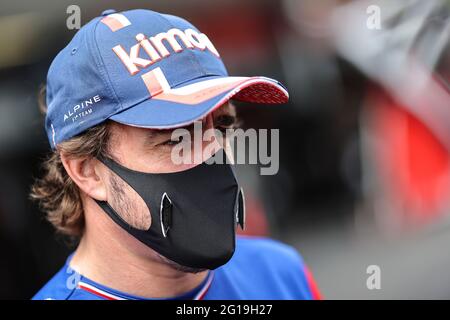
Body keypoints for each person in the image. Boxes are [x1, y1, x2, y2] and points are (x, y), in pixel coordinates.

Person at [31, 8, 321, 300]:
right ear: (87, 170)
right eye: (175, 139)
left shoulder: (281, 274)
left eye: (222, 126)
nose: (214, 154)